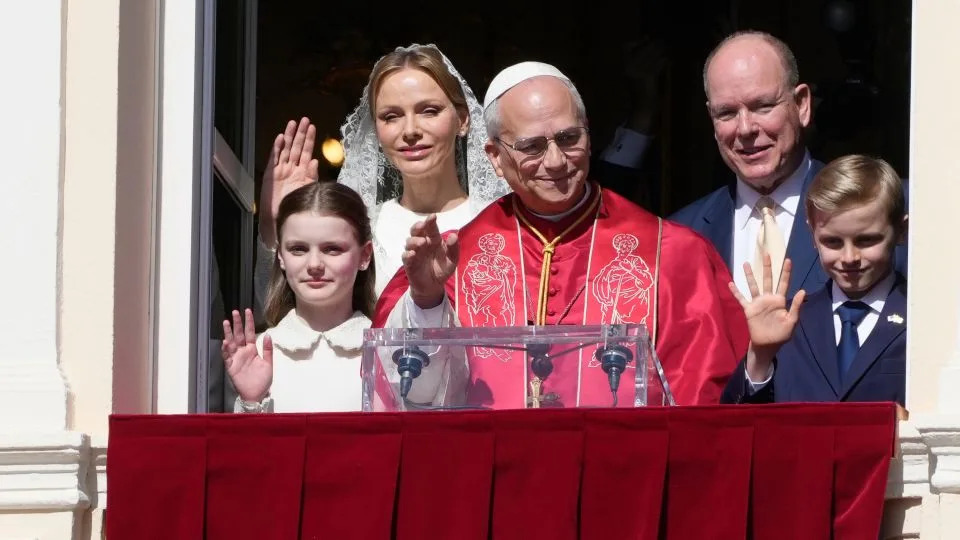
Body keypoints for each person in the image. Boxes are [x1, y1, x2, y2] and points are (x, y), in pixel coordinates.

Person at [372, 61, 749, 408]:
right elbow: (409, 397)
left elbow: (704, 403)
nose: (555, 161)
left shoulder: (673, 254)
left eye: (569, 138)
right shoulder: (452, 259)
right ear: (495, 157)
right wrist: (426, 299)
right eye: (532, 146)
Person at [257, 44, 509, 301]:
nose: (410, 130)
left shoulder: (500, 221)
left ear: (463, 119)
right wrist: (278, 228)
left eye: (429, 111)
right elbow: (280, 313)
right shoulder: (362, 227)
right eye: (391, 116)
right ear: (376, 132)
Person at [669, 31, 907, 301]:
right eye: (727, 113)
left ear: (802, 105)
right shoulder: (679, 236)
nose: (745, 128)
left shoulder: (889, 209)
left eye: (763, 106)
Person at [721, 155, 907, 405]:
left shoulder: (927, 321)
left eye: (866, 240)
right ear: (813, 235)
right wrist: (760, 358)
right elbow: (739, 430)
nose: (849, 257)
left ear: (901, 232)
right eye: (833, 242)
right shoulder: (789, 322)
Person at [222, 182, 375, 413]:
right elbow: (242, 448)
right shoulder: (255, 354)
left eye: (332, 249)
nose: (314, 265)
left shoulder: (390, 352)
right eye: (298, 249)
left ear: (365, 256)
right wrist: (251, 402)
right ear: (281, 256)